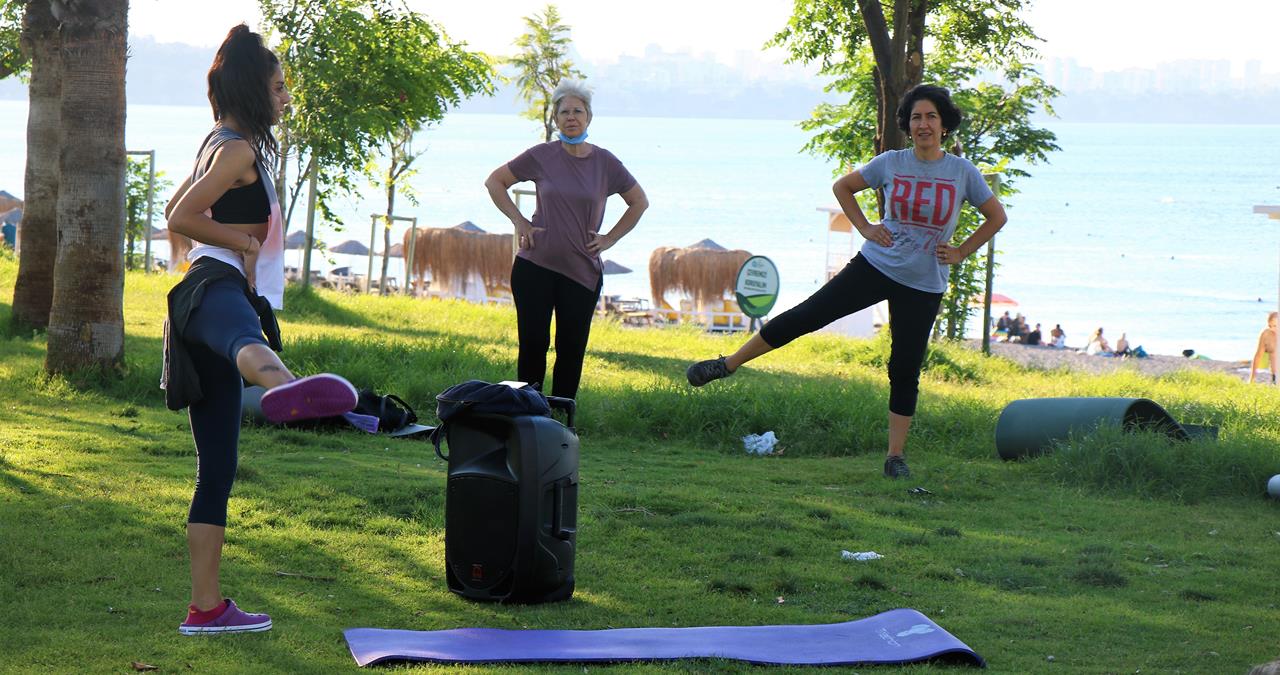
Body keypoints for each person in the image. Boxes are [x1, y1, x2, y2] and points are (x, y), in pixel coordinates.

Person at [685, 84, 1007, 479]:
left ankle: (895, 457)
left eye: (931, 117)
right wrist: (866, 228)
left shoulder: (962, 172)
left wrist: (961, 252)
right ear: (908, 125)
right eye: (916, 117)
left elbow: (996, 216)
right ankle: (728, 364)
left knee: (904, 368)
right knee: (809, 315)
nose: (923, 124)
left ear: (944, 125)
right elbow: (843, 187)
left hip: (924, 283)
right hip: (876, 265)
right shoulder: (891, 161)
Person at [164, 25, 359, 635]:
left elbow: (183, 207)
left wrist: (228, 239)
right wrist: (243, 241)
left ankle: (206, 609)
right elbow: (180, 216)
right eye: (278, 88)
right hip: (216, 290)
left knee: (216, 469)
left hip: (201, 298)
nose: (285, 98)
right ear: (254, 88)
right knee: (248, 347)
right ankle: (283, 389)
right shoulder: (239, 151)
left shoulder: (219, 143)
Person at [484, 80, 649, 400]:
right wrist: (519, 222)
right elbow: (495, 182)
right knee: (532, 344)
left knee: (570, 350)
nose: (571, 117)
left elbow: (639, 202)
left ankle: (561, 421)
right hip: (535, 267)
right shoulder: (541, 155)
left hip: (582, 273)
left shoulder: (606, 162)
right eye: (564, 112)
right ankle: (528, 415)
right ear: (555, 119)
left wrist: (609, 239)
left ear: (588, 117)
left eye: (578, 111)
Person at [1249, 311, 1278, 384]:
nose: (1274, 329)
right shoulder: (1266, 335)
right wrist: (1252, 379)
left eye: (1277, 326)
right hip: (1275, 377)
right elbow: (1258, 356)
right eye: (1272, 326)